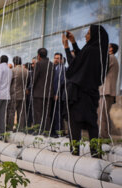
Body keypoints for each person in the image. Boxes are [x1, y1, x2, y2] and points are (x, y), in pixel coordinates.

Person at [62, 25, 109, 156]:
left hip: (79, 94)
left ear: (94, 35)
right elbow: (81, 59)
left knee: (75, 124)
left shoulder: (90, 51)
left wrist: (66, 47)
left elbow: (74, 65)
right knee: (91, 124)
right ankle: (95, 152)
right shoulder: (100, 52)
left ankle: (75, 152)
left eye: (88, 33)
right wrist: (73, 43)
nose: (86, 35)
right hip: (91, 93)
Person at [98, 43, 119, 139]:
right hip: (107, 91)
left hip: (106, 91)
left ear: (111, 49)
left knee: (102, 116)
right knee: (104, 116)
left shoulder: (110, 58)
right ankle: (105, 136)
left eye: (108, 46)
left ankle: (103, 137)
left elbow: (101, 71)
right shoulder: (113, 58)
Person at [7, 56, 28, 131]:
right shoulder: (26, 71)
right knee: (21, 113)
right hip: (23, 95)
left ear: (14, 62)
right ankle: (21, 129)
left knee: (11, 112)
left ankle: (9, 128)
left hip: (14, 94)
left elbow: (9, 82)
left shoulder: (13, 70)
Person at [51, 52, 66, 137]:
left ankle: (58, 132)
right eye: (55, 58)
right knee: (55, 113)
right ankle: (55, 131)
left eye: (58, 58)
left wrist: (56, 93)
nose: (56, 59)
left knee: (58, 113)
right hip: (54, 94)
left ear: (61, 60)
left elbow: (61, 82)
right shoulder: (55, 68)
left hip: (58, 95)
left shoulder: (62, 68)